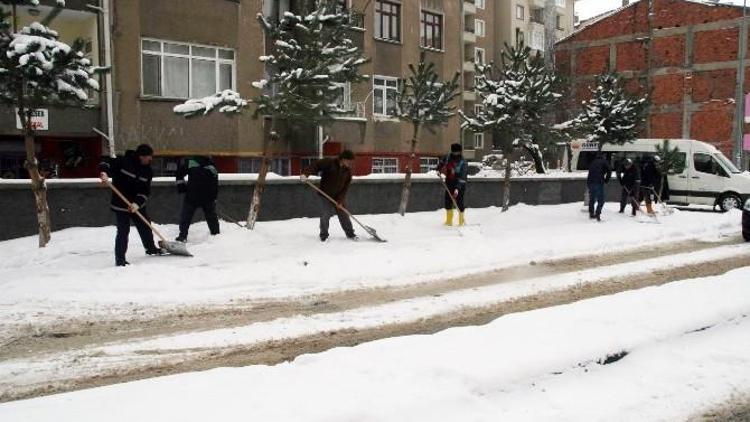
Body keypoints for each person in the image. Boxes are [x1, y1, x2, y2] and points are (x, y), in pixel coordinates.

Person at [99, 144, 163, 266]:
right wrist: (104, 173)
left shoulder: (148, 171)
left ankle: (151, 248)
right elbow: (106, 162)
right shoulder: (123, 162)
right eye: (148, 157)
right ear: (141, 156)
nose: (150, 159)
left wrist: (137, 204)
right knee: (123, 231)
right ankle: (120, 259)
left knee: (145, 225)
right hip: (121, 203)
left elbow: (145, 192)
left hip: (136, 204)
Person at [301, 150, 357, 242]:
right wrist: (305, 174)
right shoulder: (330, 163)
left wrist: (340, 200)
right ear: (343, 159)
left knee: (344, 214)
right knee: (325, 214)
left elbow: (345, 189)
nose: (350, 163)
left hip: (337, 196)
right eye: (349, 161)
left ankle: (350, 234)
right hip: (325, 194)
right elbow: (316, 165)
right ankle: (324, 235)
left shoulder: (348, 172)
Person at [175, 156, 220, 242]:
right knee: (186, 217)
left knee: (211, 217)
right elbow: (179, 174)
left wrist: (214, 197)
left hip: (206, 197)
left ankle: (216, 236)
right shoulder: (191, 162)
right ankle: (182, 236)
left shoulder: (211, 165)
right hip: (193, 196)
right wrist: (181, 187)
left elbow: (215, 182)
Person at [437, 143, 468, 226]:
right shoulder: (447, 157)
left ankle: (461, 222)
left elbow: (463, 177)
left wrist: (457, 188)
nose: (455, 154)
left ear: (460, 152)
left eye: (457, 153)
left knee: (459, 202)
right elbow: (441, 163)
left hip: (460, 183)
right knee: (448, 201)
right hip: (449, 182)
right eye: (454, 152)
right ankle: (449, 221)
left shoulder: (463, 162)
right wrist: (438, 169)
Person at [587, 151, 611, 221]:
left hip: (590, 182)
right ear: (603, 156)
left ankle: (591, 213)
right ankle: (598, 214)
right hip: (599, 182)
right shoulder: (604, 162)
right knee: (601, 199)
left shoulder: (593, 162)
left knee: (592, 199)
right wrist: (606, 180)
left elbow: (590, 172)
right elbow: (609, 171)